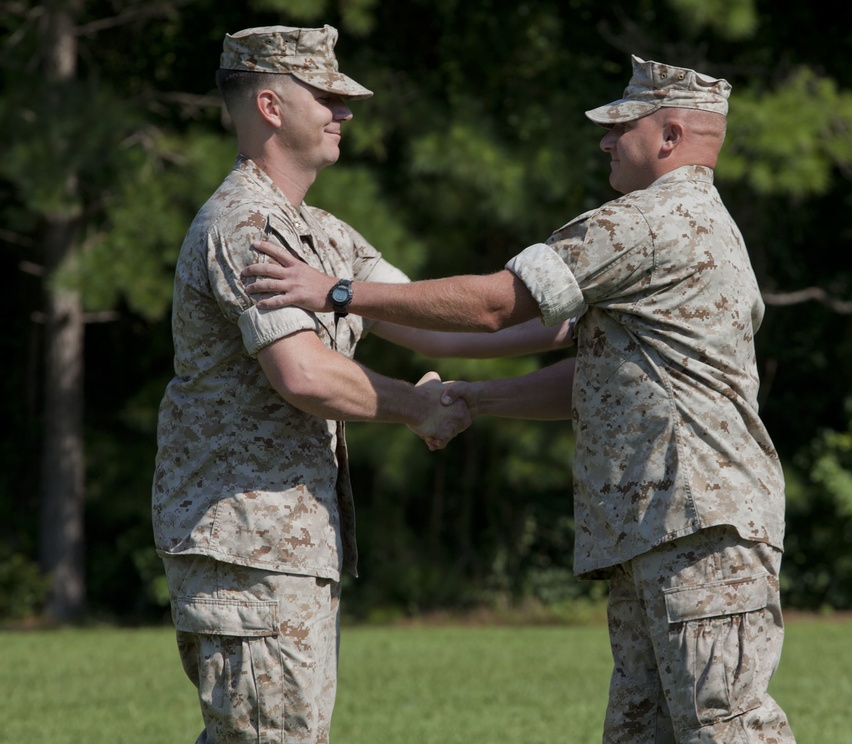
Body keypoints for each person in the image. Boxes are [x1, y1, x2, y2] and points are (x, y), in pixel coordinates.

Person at [243, 54, 795, 743]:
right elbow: (599, 378)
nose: (605, 140)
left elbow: (495, 307)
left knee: (727, 728)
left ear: (671, 135)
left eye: (621, 125)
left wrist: (339, 292)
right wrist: (477, 398)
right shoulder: (702, 225)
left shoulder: (648, 220)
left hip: (695, 525)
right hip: (667, 527)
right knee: (644, 733)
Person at [153, 24, 572, 744]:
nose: (345, 113)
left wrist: (573, 323)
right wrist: (418, 408)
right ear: (273, 105)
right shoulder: (245, 225)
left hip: (287, 549)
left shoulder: (321, 234)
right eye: (328, 96)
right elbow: (303, 374)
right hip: (249, 548)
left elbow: (438, 325)